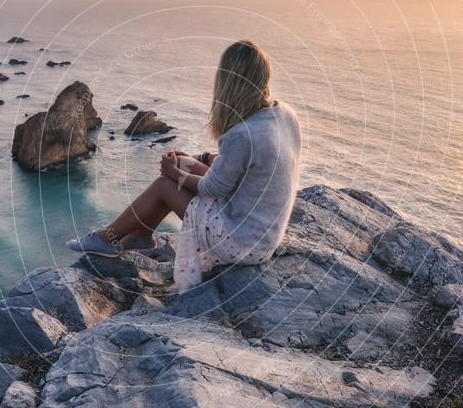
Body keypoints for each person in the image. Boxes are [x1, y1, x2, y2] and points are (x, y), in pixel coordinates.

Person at [67, 39, 302, 291]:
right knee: (184, 162)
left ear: (229, 82)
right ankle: (141, 236)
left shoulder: (242, 134)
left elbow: (213, 190)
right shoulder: (284, 114)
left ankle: (107, 239)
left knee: (164, 186)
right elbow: (249, 168)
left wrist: (173, 173)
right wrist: (196, 161)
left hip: (242, 244)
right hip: (263, 232)